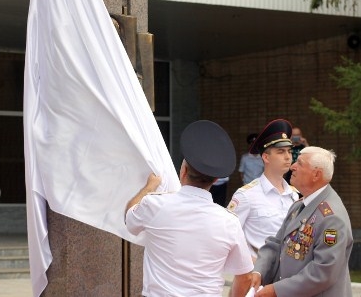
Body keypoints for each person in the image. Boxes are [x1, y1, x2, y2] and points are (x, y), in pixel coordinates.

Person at [125, 120, 253, 297]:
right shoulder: (229, 222)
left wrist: (149, 187)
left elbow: (129, 219)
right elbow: (245, 276)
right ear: (215, 180)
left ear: (183, 171)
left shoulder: (154, 205)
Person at [251, 146, 353, 297]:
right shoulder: (300, 204)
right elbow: (276, 244)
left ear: (316, 174)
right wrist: (258, 271)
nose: (293, 166)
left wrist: (276, 290)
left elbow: (323, 272)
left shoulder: (332, 218)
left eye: (300, 163)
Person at [227, 119, 299, 262]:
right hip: (258, 276)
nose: (288, 157)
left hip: (288, 275)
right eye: (281, 151)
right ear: (266, 157)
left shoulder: (294, 195)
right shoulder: (246, 195)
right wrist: (249, 263)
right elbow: (227, 236)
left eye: (289, 151)